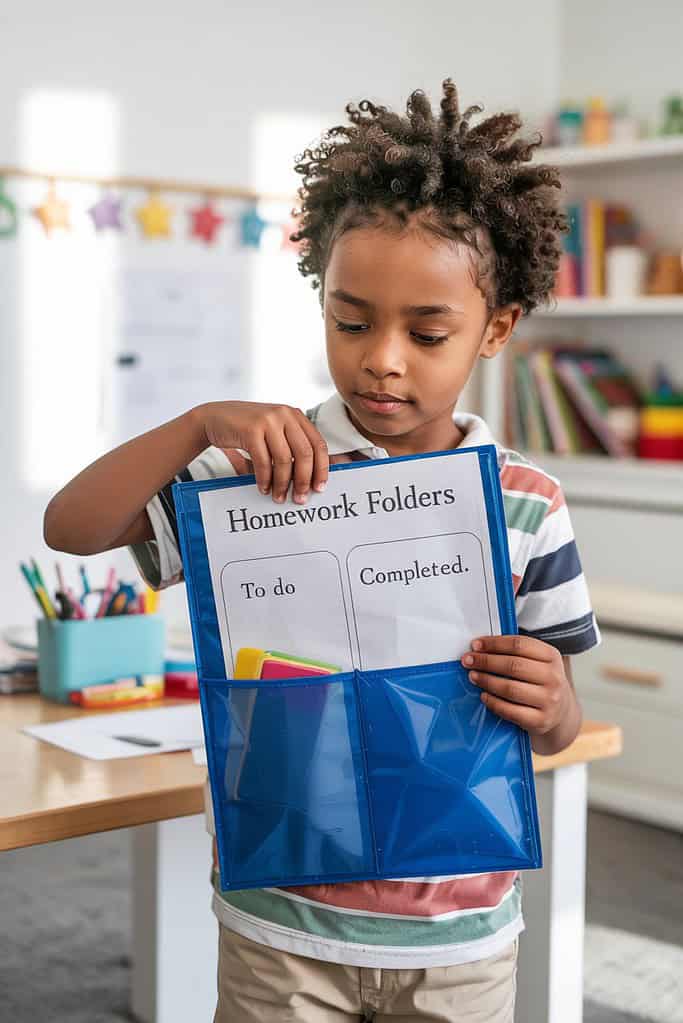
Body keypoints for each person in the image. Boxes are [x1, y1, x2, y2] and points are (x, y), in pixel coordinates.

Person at [44, 78, 600, 1023]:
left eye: (427, 332)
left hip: (459, 932)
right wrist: (196, 426)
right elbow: (74, 527)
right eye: (350, 320)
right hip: (281, 922)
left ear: (495, 330)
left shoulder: (526, 504)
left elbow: (558, 723)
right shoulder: (259, 467)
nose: (382, 356)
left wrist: (550, 704)